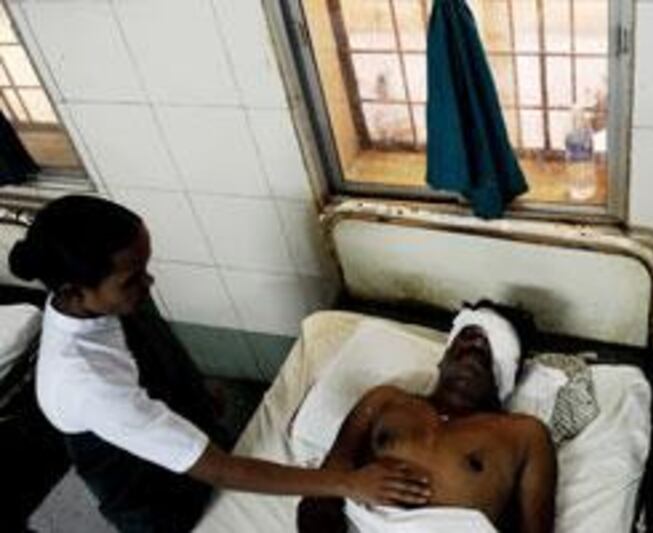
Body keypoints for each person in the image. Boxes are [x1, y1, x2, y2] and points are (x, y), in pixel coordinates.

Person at [7, 195, 430, 533]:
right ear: (75, 291)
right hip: (149, 496)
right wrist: (347, 482)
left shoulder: (103, 302)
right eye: (132, 279)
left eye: (145, 268)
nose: (149, 283)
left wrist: (192, 391)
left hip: (175, 420)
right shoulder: (86, 384)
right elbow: (222, 471)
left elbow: (155, 346)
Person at [297, 302, 557, 533]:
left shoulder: (524, 435)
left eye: (490, 344)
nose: (477, 343)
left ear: (509, 375)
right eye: (467, 336)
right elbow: (324, 490)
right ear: (443, 358)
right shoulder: (385, 401)